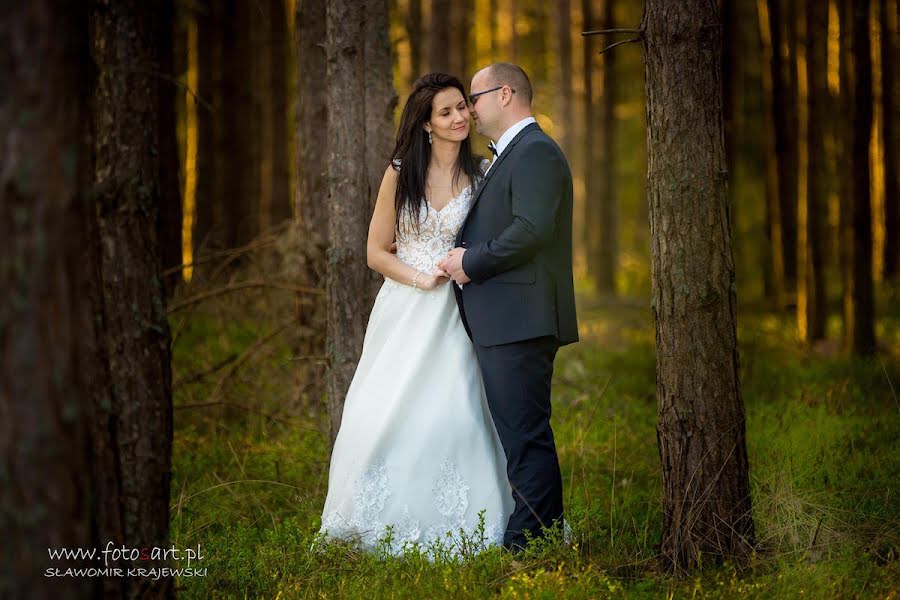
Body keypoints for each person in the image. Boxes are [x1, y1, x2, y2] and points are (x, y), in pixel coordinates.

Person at [317, 73, 514, 557]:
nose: (459, 118)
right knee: (389, 409)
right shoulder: (400, 172)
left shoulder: (482, 172)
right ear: (426, 124)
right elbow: (374, 252)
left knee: (460, 408)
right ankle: (371, 523)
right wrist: (419, 277)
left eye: (461, 108)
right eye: (445, 112)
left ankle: (474, 522)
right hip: (406, 307)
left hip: (461, 310)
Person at [438, 62, 579, 552]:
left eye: (474, 99)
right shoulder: (510, 154)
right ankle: (536, 536)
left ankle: (530, 544)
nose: (470, 111)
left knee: (525, 437)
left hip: (522, 320)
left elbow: (533, 229)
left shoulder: (536, 151)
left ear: (505, 94)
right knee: (519, 435)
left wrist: (470, 262)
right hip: (507, 320)